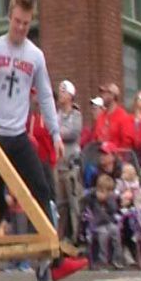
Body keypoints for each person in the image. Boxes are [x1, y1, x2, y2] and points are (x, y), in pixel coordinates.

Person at [0, 0, 87, 281]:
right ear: (9, 18)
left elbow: (45, 95)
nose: (20, 28)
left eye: (26, 23)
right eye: (17, 21)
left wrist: (54, 133)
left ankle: (52, 260)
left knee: (41, 190)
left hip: (18, 135)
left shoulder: (35, 56)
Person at [55, 80, 83, 243]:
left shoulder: (76, 115)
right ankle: (61, 238)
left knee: (74, 204)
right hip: (59, 165)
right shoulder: (56, 115)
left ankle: (76, 237)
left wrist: (56, 132)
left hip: (72, 166)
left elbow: (73, 133)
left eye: (64, 91)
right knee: (61, 204)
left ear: (71, 95)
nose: (61, 94)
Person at [82, 173, 123, 269]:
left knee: (115, 231)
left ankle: (117, 259)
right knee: (103, 234)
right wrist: (95, 194)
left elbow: (114, 209)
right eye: (102, 191)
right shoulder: (92, 198)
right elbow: (84, 199)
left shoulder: (110, 199)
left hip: (108, 222)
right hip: (96, 224)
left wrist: (108, 200)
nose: (105, 194)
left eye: (109, 192)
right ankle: (102, 260)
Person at [93, 83, 136, 151]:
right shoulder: (100, 117)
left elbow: (127, 143)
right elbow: (96, 138)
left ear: (112, 96)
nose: (102, 96)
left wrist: (117, 156)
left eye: (105, 93)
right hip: (100, 157)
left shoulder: (123, 117)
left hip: (116, 158)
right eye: (102, 93)